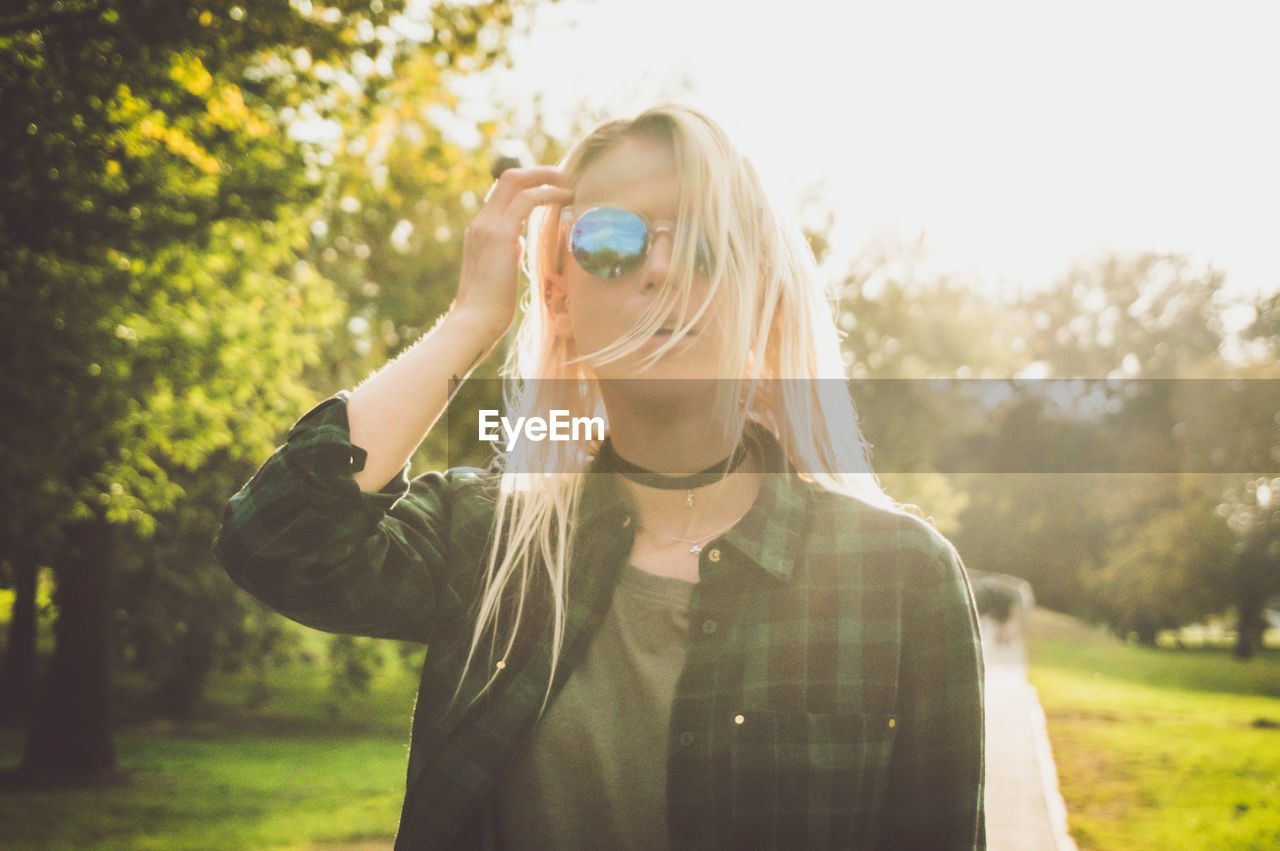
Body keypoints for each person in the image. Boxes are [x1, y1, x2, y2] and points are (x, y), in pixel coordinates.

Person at [215, 104, 985, 849]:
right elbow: (278, 537)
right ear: (561, 297)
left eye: (705, 244)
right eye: (611, 241)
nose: (658, 270)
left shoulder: (902, 579)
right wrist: (472, 320)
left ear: (765, 298)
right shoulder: (486, 539)